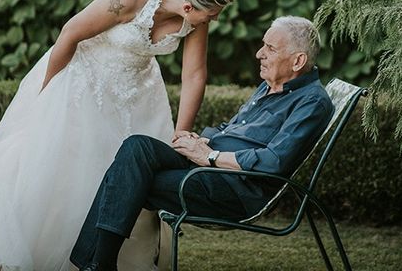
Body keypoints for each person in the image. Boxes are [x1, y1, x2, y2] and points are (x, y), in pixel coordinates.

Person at [0, 0, 238, 271]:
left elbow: (194, 74)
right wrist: (44, 96)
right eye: (212, 15)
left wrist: (180, 133)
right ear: (188, 6)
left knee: (131, 175)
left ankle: (106, 257)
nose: (214, 20)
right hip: (85, 82)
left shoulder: (197, 13)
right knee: (57, 169)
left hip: (139, 94)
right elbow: (70, 33)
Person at [69, 16, 334, 271]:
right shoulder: (271, 85)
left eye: (270, 48)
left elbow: (274, 161)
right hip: (210, 166)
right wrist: (202, 140)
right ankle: (98, 264)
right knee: (137, 147)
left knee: (131, 177)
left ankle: (97, 264)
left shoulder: (312, 103)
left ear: (298, 60)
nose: (259, 54)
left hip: (237, 187)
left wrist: (210, 156)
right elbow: (235, 129)